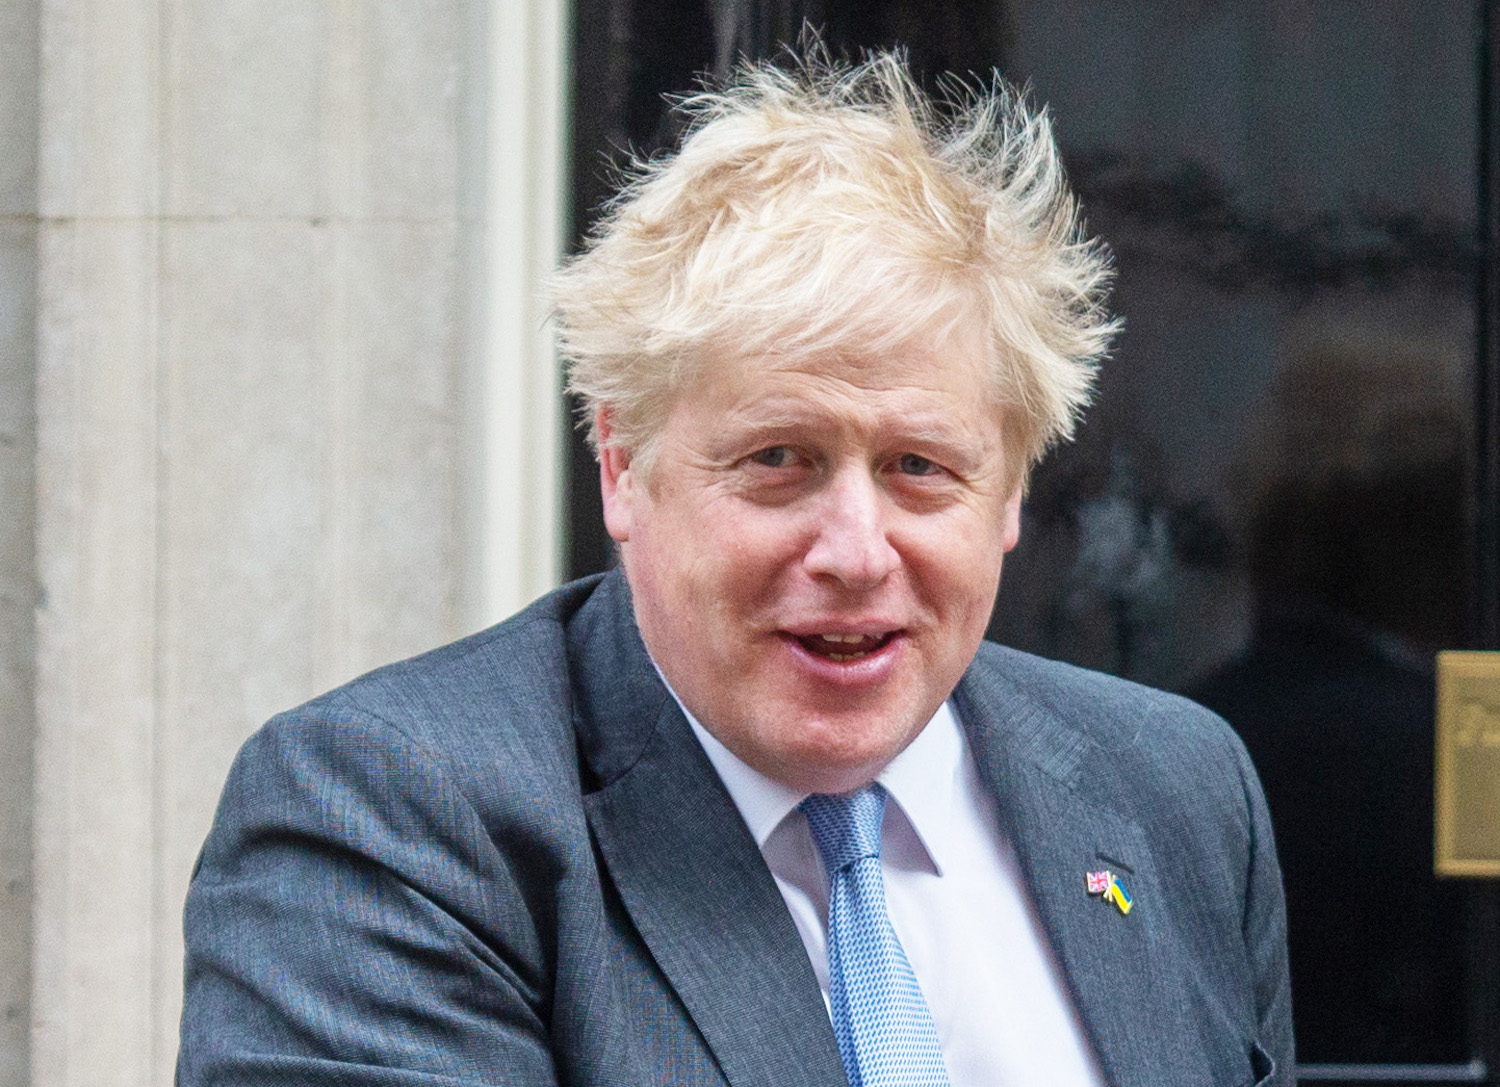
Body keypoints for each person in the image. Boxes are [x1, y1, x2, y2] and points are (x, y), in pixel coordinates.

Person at [178, 48, 1293, 1087]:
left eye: (919, 466)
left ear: (1007, 494)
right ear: (624, 465)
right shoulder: (388, 824)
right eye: (777, 461)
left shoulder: (1177, 789)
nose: (856, 552)